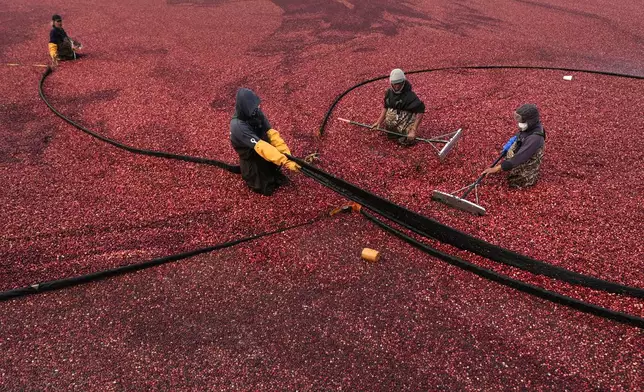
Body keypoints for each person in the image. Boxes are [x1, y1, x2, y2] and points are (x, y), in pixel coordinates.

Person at [229, 88, 300, 196]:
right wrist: (284, 161)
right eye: (254, 107)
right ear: (246, 108)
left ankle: (272, 171)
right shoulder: (238, 126)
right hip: (250, 154)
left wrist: (288, 156)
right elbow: (261, 147)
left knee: (270, 162)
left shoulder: (256, 112)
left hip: (261, 144)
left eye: (257, 106)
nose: (258, 108)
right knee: (263, 185)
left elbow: (272, 134)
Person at [482, 104, 546, 188]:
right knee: (510, 159)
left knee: (516, 180)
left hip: (527, 158)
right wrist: (513, 141)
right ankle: (508, 164)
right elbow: (522, 134)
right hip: (525, 148)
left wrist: (496, 168)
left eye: (521, 120)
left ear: (530, 121)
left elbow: (519, 157)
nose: (519, 123)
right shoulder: (531, 126)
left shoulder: (535, 138)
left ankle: (528, 176)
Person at [371, 68, 426, 146]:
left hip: (405, 121)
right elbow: (386, 107)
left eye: (399, 83)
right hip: (395, 122)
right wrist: (378, 122)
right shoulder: (389, 93)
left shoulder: (410, 96)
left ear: (403, 82)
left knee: (408, 140)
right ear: (391, 83)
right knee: (391, 135)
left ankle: (407, 132)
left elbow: (420, 111)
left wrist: (413, 130)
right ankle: (395, 132)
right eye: (394, 83)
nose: (397, 86)